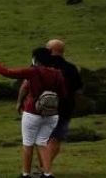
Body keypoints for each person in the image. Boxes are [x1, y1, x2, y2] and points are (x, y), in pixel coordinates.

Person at [0, 47, 67, 178]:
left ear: (35, 59)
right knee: (43, 142)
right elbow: (63, 94)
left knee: (28, 144)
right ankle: (47, 173)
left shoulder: (32, 72)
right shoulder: (58, 73)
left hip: (32, 113)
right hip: (51, 114)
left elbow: (9, 73)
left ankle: (25, 174)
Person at [44, 38, 83, 171]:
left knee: (41, 140)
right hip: (64, 109)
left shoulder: (41, 66)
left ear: (50, 50)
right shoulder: (71, 68)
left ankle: (43, 169)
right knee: (55, 139)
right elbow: (78, 90)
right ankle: (45, 168)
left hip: (41, 108)